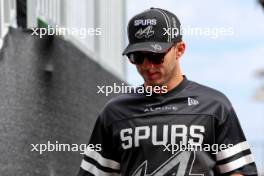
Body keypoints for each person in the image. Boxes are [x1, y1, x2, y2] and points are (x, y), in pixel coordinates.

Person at [77, 8, 258, 176]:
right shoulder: (114, 113)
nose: (147, 66)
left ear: (179, 50)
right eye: (138, 57)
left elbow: (238, 172)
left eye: (156, 56)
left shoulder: (214, 106)